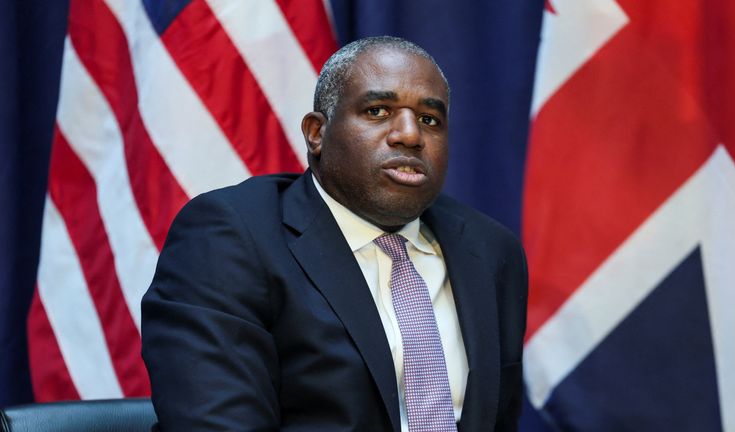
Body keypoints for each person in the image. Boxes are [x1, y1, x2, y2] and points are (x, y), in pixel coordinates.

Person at [141, 36, 528, 432]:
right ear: (316, 133)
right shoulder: (230, 237)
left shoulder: (489, 251)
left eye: (430, 120)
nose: (411, 135)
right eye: (378, 111)